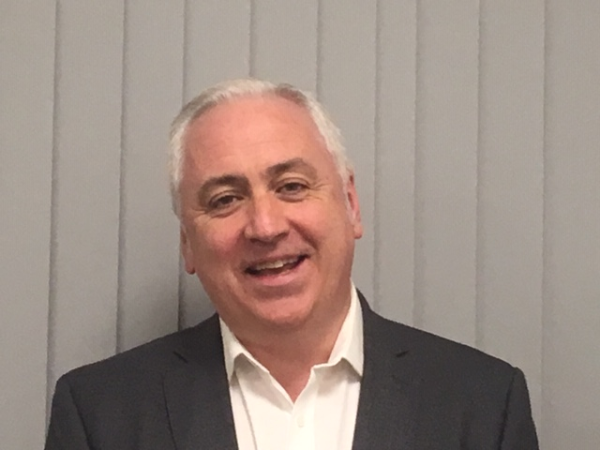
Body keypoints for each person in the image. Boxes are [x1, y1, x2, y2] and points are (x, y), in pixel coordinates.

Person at [45, 79, 539, 449]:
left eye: (292, 187)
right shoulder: (98, 415)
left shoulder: (483, 405)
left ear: (351, 205)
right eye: (224, 199)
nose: (265, 226)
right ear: (187, 244)